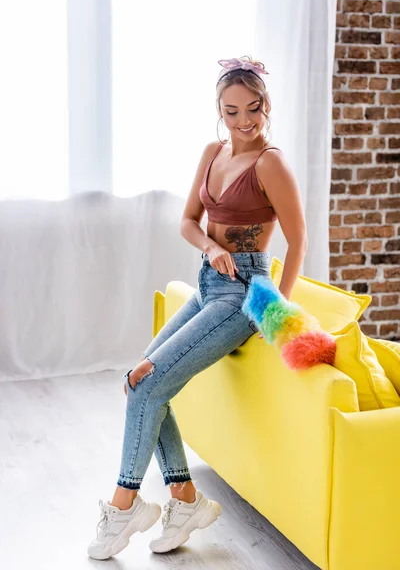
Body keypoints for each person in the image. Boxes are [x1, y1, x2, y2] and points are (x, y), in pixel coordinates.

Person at [87, 55, 308, 560]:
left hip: (245, 295)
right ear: (219, 111)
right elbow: (189, 221)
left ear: (266, 105)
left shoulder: (271, 163)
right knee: (137, 382)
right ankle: (183, 497)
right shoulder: (213, 152)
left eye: (253, 109)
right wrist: (212, 248)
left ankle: (124, 506)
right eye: (232, 111)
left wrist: (276, 313)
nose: (244, 121)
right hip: (210, 283)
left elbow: (298, 242)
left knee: (145, 384)